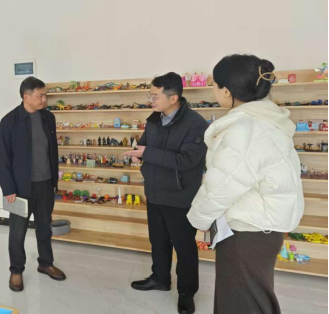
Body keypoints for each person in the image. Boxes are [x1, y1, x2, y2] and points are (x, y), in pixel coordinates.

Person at [188, 55, 305, 314]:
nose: (213, 90)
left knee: (241, 301)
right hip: (262, 227)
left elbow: (221, 186)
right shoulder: (266, 121)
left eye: (215, 85)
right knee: (254, 296)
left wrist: (197, 221)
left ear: (226, 91)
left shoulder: (245, 128)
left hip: (247, 231)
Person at [125, 72, 209, 314]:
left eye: (155, 96)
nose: (150, 100)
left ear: (173, 98)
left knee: (184, 247)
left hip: (180, 196)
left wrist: (147, 153)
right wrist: (138, 154)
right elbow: (144, 145)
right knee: (158, 241)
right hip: (155, 192)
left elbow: (187, 160)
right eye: (149, 95)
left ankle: (186, 292)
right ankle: (160, 278)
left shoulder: (196, 124)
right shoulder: (154, 119)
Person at [0, 76, 66, 292]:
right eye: (40, 96)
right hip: (20, 188)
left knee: (44, 227)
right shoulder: (9, 121)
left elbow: (51, 150)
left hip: (45, 184)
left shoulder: (48, 118)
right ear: (26, 96)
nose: (44, 99)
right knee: (17, 232)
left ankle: (46, 263)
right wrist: (8, 188)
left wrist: (54, 181)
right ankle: (16, 270)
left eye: (45, 95)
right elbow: (1, 157)